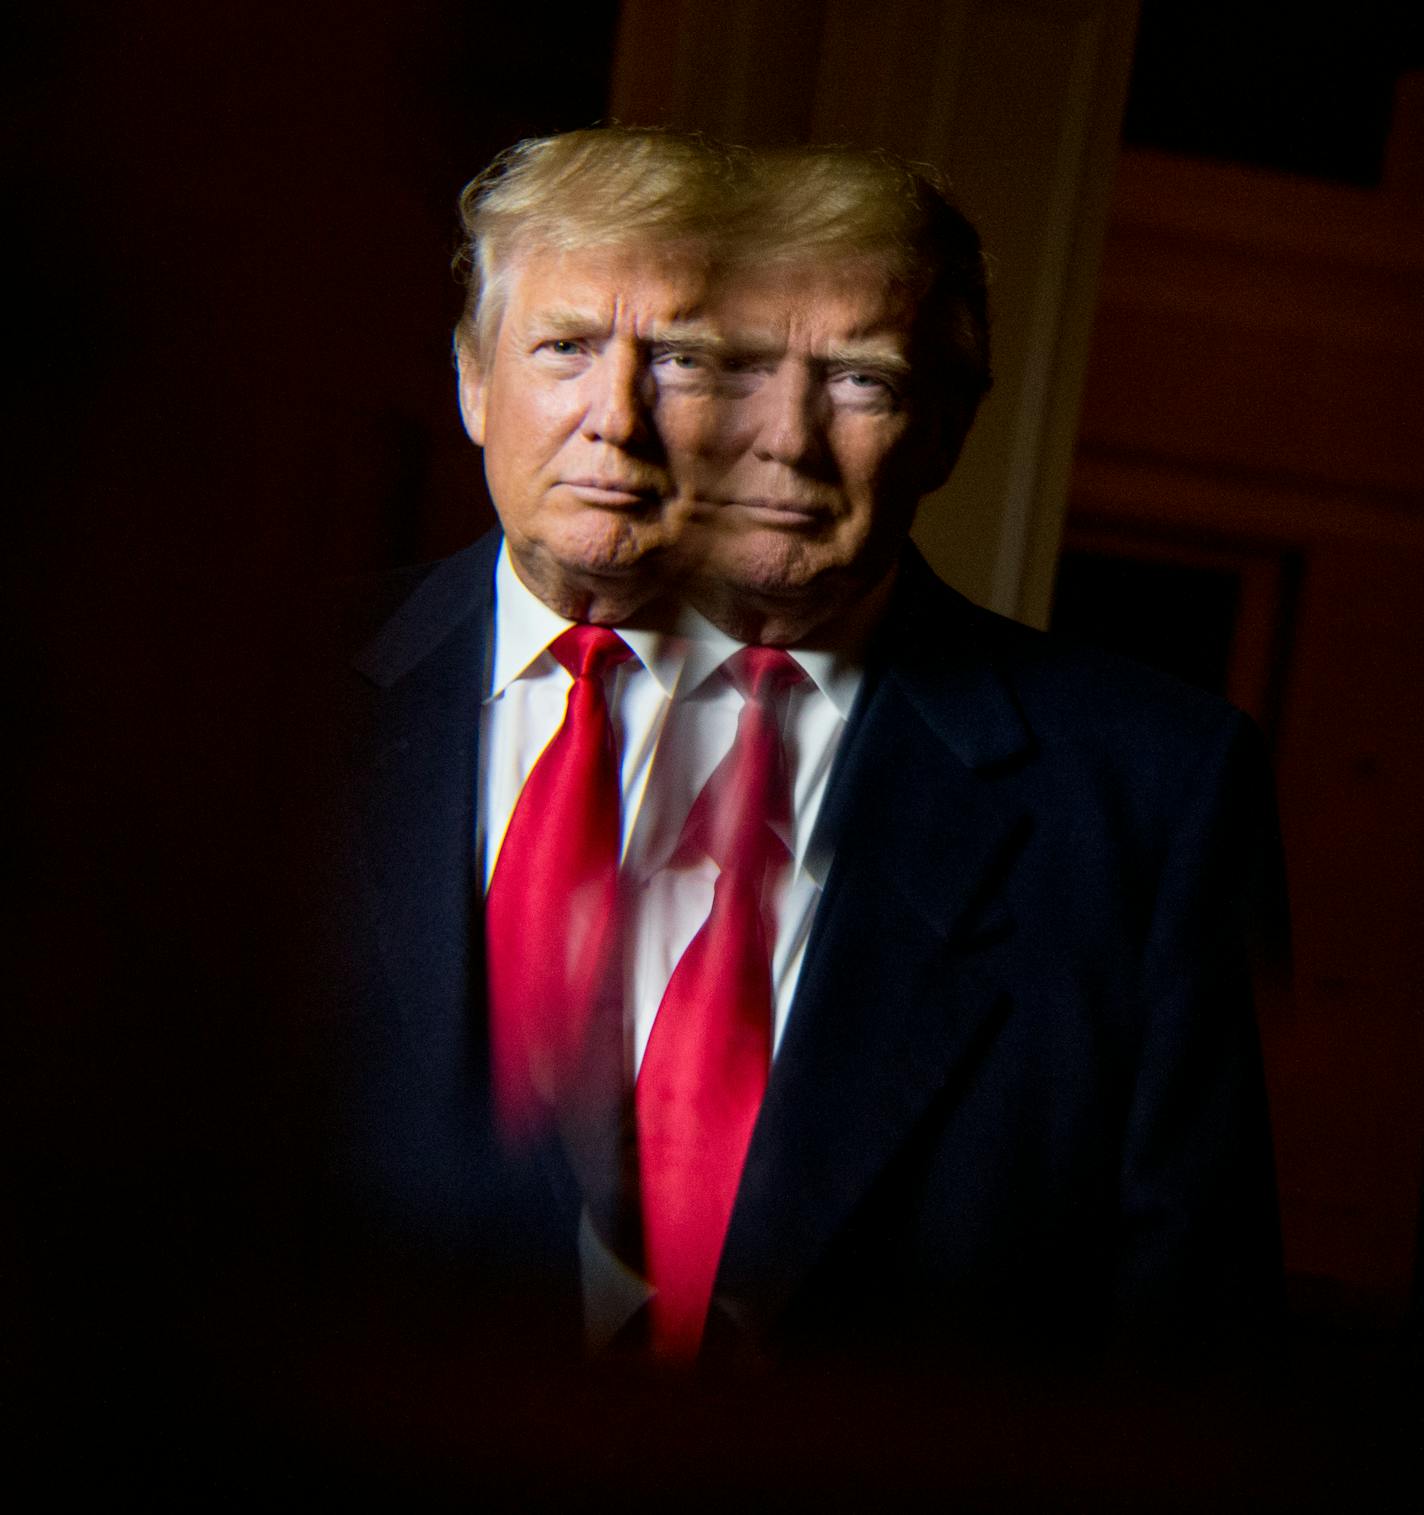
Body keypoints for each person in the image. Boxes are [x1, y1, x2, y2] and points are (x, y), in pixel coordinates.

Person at [311, 130, 1283, 1376]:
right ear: (466, 377)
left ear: (946, 428)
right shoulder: (253, 683)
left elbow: (1188, 1327)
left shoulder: (1153, 788)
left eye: (861, 383)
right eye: (564, 348)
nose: (783, 442)